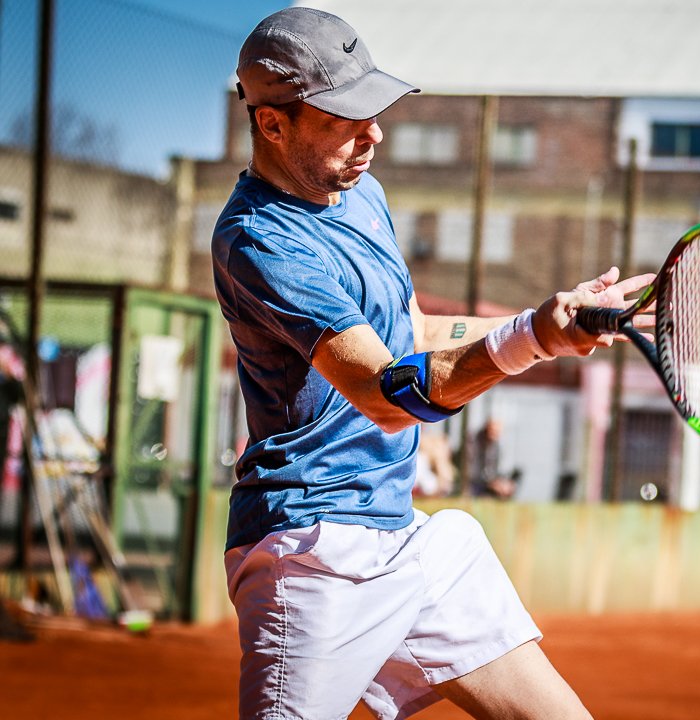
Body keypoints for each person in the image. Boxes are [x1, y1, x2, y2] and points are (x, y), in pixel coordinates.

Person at [212, 8, 651, 720]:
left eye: (375, 112)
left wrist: (554, 324)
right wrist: (529, 340)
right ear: (272, 124)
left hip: (408, 537)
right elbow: (386, 394)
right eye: (347, 118)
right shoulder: (259, 240)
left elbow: (411, 332)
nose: (374, 135)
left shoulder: (364, 198)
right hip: (314, 554)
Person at [469, 419, 519, 499]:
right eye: (492, 431)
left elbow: (495, 470)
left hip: (488, 482)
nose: (494, 435)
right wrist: (490, 482)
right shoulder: (473, 444)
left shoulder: (496, 447)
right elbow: (472, 471)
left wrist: (500, 482)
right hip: (475, 484)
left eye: (497, 432)